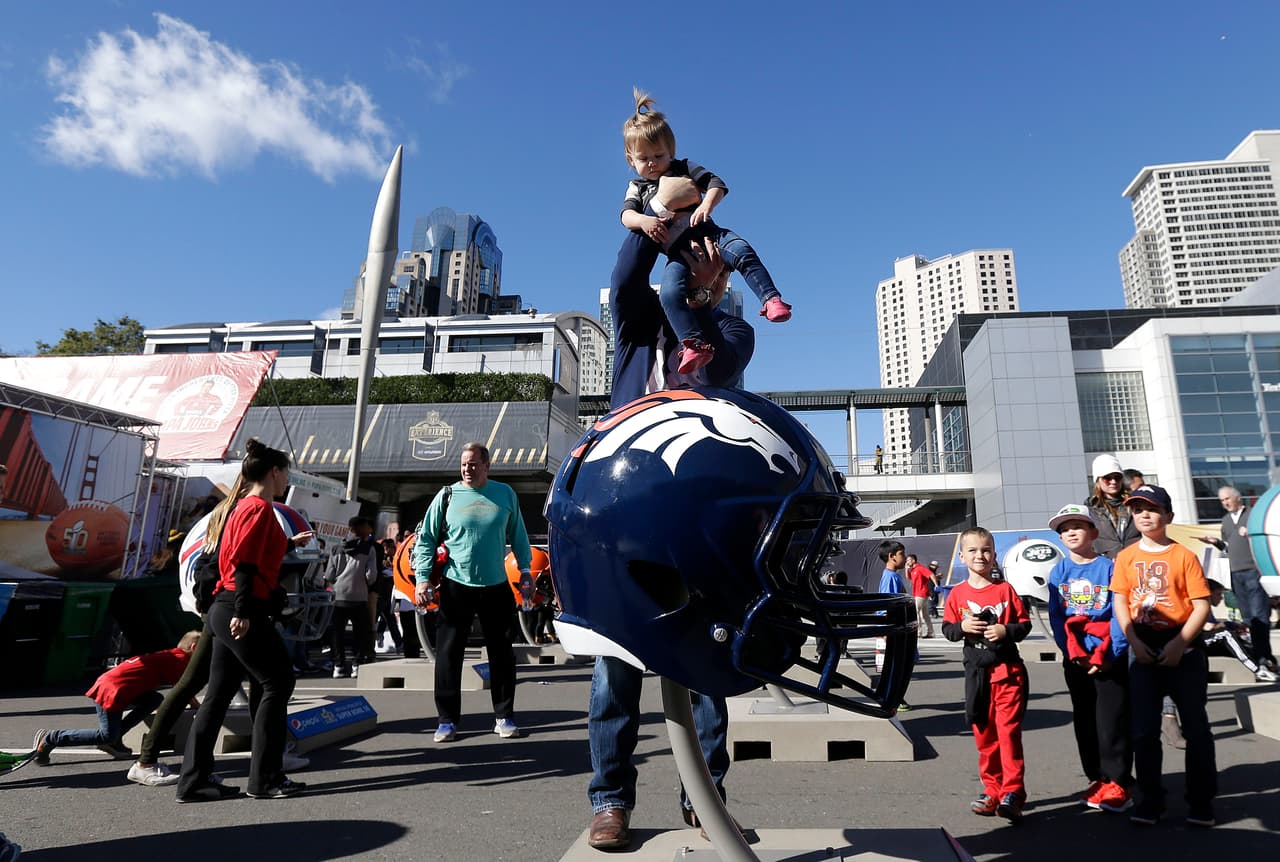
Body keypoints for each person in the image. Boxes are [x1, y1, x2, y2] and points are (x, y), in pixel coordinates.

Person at [588, 242, 752, 851]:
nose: (701, 263)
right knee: (614, 667)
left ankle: (704, 799)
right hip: (625, 511)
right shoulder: (636, 322)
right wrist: (653, 227)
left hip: (696, 516)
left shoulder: (729, 327)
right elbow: (625, 273)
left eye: (714, 259)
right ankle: (610, 801)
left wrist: (699, 301)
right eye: (692, 256)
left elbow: (718, 370)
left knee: (707, 664)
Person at [175, 439, 314, 802]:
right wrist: (244, 611)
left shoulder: (240, 508)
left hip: (226, 606)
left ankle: (194, 780)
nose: (287, 481)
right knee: (277, 682)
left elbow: (247, 554)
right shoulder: (259, 509)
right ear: (274, 472)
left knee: (218, 694)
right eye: (286, 473)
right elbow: (245, 565)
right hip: (240, 604)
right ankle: (266, 777)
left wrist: (287, 545)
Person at [616, 89, 790, 375]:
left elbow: (716, 183)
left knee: (743, 250)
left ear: (671, 153)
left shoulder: (683, 167)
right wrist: (655, 212)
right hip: (677, 253)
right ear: (630, 160)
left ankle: (771, 298)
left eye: (659, 155)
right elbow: (627, 217)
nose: (652, 163)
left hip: (712, 235)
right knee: (670, 292)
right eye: (644, 158)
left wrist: (706, 205)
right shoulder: (639, 188)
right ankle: (693, 344)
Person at [412, 442, 533, 744]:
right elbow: (426, 538)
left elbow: (518, 534)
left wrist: (527, 571)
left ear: (487, 465)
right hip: (456, 585)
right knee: (448, 655)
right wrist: (422, 579)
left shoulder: (505, 494)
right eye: (464, 464)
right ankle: (446, 721)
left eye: (473, 464)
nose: (467, 469)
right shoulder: (448, 495)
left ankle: (504, 717)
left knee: (502, 655)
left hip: (496, 585)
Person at [1109, 484, 1216, 827]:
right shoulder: (1126, 557)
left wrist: (1179, 643)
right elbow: (1121, 601)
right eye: (1137, 508)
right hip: (1141, 647)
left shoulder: (1184, 556)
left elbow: (1201, 605)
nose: (1143, 514)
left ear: (1168, 516)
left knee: (1196, 727)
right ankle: (1150, 800)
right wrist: (1133, 642)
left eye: (1152, 508)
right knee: (1143, 731)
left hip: (1182, 647)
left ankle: (1200, 802)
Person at [1045, 504, 1134, 813]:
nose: (1069, 531)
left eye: (1077, 525)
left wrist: (1111, 653)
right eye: (1063, 528)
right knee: (1085, 719)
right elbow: (1056, 617)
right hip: (1076, 658)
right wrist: (1072, 653)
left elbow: (1121, 614)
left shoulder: (1109, 567)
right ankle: (1097, 777)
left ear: (1093, 532)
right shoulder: (1059, 571)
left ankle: (1119, 781)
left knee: (1112, 720)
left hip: (1108, 656)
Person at [942, 527, 1032, 824]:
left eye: (986, 550)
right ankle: (991, 789)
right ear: (962, 556)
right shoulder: (957, 594)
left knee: (1008, 735)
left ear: (994, 554)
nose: (980, 556)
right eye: (973, 550)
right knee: (984, 736)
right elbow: (949, 631)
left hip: (1008, 674)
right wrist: (962, 628)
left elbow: (1024, 625)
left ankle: (1013, 792)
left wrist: (1006, 631)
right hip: (977, 677)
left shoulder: (1005, 590)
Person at [34, 630, 201, 766]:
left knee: (154, 699)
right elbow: (183, 689)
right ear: (194, 647)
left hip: (119, 687)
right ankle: (52, 738)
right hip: (114, 690)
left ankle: (115, 739)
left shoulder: (172, 655)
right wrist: (198, 707)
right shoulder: (180, 660)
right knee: (105, 735)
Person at [1200, 486, 1277, 673]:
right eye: (1222, 500)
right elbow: (1226, 546)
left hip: (1252, 571)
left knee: (1260, 616)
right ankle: (1260, 657)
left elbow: (1264, 538)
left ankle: (1264, 656)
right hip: (1235, 573)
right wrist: (1215, 543)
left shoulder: (1252, 516)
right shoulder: (1225, 521)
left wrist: (1249, 533)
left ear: (1237, 498)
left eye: (1227, 498)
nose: (1225, 502)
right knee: (1248, 618)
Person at [324, 517, 379, 678]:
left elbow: (329, 574)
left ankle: (338, 665)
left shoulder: (335, 548)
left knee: (337, 633)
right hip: (359, 596)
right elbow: (371, 575)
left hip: (339, 596)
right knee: (360, 633)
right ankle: (357, 663)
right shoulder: (369, 549)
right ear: (361, 528)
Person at [1202, 579, 1278, 682]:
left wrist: (1236, 625)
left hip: (1209, 641)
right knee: (1226, 634)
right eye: (1218, 594)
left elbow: (1215, 624)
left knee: (1243, 643)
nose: (1221, 598)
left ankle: (1267, 664)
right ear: (1209, 594)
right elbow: (1208, 627)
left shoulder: (1207, 607)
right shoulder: (1199, 606)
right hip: (1199, 642)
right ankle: (1258, 670)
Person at [1085, 454, 1140, 560]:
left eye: (1117, 477)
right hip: (1106, 567)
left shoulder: (1135, 503)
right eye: (1107, 478)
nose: (1113, 482)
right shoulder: (1089, 509)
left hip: (1136, 563)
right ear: (1098, 480)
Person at [905, 554, 936, 638]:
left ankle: (918, 632)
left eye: (909, 560)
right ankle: (931, 632)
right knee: (925, 614)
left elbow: (931, 575)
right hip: (918, 594)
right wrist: (906, 568)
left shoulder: (920, 568)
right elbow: (908, 578)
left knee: (916, 612)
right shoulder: (913, 570)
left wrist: (936, 585)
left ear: (913, 560)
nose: (907, 562)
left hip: (921, 594)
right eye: (907, 560)